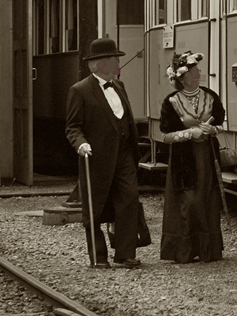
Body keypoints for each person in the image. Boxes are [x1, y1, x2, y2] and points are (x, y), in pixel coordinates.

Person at [65, 37, 143, 269]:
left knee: (129, 200)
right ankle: (98, 257)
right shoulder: (79, 90)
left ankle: (125, 254)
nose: (119, 64)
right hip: (96, 158)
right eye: (114, 60)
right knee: (94, 208)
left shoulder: (119, 86)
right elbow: (72, 127)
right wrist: (80, 144)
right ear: (99, 64)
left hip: (124, 155)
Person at [159, 50, 225, 263]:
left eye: (198, 69)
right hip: (184, 160)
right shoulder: (171, 102)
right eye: (193, 70)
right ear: (182, 77)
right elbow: (165, 136)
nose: (198, 73)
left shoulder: (210, 96)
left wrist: (212, 130)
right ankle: (184, 250)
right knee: (191, 202)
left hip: (207, 156)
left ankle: (209, 251)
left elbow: (222, 124)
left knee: (208, 201)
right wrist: (189, 133)